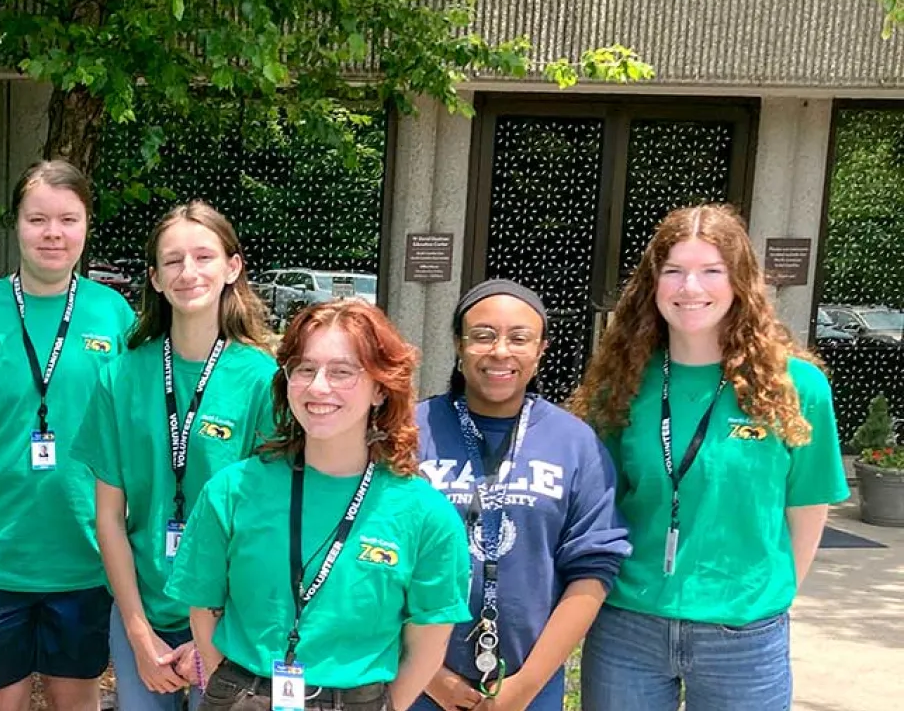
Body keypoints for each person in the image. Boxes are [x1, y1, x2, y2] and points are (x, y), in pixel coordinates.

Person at [571, 204, 847, 711]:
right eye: (674, 271)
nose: (690, 288)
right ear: (652, 283)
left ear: (739, 280)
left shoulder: (796, 386)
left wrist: (772, 592)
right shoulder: (622, 382)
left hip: (742, 633)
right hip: (629, 625)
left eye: (710, 271)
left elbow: (807, 506)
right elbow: (596, 504)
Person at [168, 300, 471, 711]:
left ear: (381, 388)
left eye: (342, 371)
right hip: (241, 694)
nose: (318, 387)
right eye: (305, 369)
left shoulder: (425, 514)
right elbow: (203, 608)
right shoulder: (232, 491)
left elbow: (427, 646)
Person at [0, 161, 137, 711]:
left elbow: (137, 432)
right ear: (16, 225)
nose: (53, 233)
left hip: (85, 558)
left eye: (68, 219)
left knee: (79, 701)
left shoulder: (114, 316)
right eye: (37, 218)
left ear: (87, 225)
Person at [71, 201, 278, 711]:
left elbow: (265, 522)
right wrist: (139, 634)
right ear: (156, 279)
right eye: (173, 261)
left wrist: (209, 636)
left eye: (204, 256)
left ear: (232, 267)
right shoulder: (120, 376)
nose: (189, 272)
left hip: (232, 615)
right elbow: (109, 519)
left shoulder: (262, 380)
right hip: (142, 606)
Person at [412, 280, 630, 711]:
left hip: (529, 690)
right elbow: (378, 560)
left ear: (541, 349)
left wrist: (526, 686)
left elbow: (593, 569)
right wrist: (429, 675)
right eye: (483, 335)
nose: (500, 351)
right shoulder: (412, 430)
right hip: (417, 685)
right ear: (459, 344)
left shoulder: (574, 443)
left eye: (519, 338)